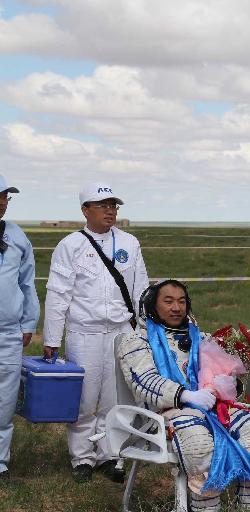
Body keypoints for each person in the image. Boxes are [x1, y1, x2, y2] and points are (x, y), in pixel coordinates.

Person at [117, 280, 250, 512]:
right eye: (168, 301)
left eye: (181, 301)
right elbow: (143, 380)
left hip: (213, 407)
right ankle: (207, 504)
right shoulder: (137, 341)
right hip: (168, 411)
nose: (176, 307)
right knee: (197, 439)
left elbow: (226, 378)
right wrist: (186, 395)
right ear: (151, 305)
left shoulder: (200, 337)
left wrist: (231, 376)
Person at [44, 183, 149, 483]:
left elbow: (141, 289)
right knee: (85, 399)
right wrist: (52, 337)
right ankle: (82, 458)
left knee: (116, 398)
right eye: (102, 205)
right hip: (84, 333)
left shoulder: (130, 244)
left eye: (113, 205)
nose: (110, 210)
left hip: (120, 332)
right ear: (85, 210)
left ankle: (109, 456)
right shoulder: (70, 246)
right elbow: (57, 294)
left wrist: (145, 328)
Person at [0, 175, 40, 482]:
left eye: (5, 197)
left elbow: (27, 284)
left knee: (5, 399)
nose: (2, 202)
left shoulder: (17, 236)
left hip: (7, 334)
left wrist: (28, 322)